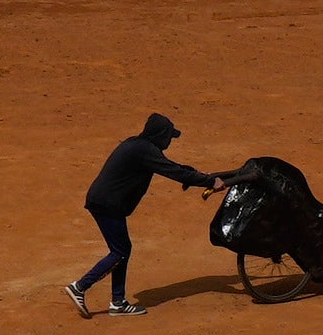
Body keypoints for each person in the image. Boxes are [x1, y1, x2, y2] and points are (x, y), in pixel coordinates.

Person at [72, 112, 216, 316]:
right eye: (169, 137)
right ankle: (80, 287)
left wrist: (197, 175)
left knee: (122, 250)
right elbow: (172, 171)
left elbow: (172, 166)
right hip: (107, 205)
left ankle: (118, 302)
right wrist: (210, 181)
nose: (170, 141)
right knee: (120, 252)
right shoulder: (144, 150)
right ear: (160, 135)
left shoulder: (140, 145)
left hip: (104, 202)